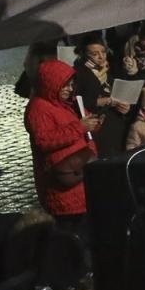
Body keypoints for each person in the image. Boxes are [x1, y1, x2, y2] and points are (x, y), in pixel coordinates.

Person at [24, 60, 102, 233]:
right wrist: (80, 127)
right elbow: (43, 140)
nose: (69, 88)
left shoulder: (66, 104)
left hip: (80, 176)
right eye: (65, 85)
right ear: (51, 84)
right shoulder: (39, 108)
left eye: (71, 84)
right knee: (71, 231)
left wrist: (92, 123)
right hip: (63, 183)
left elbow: (78, 125)